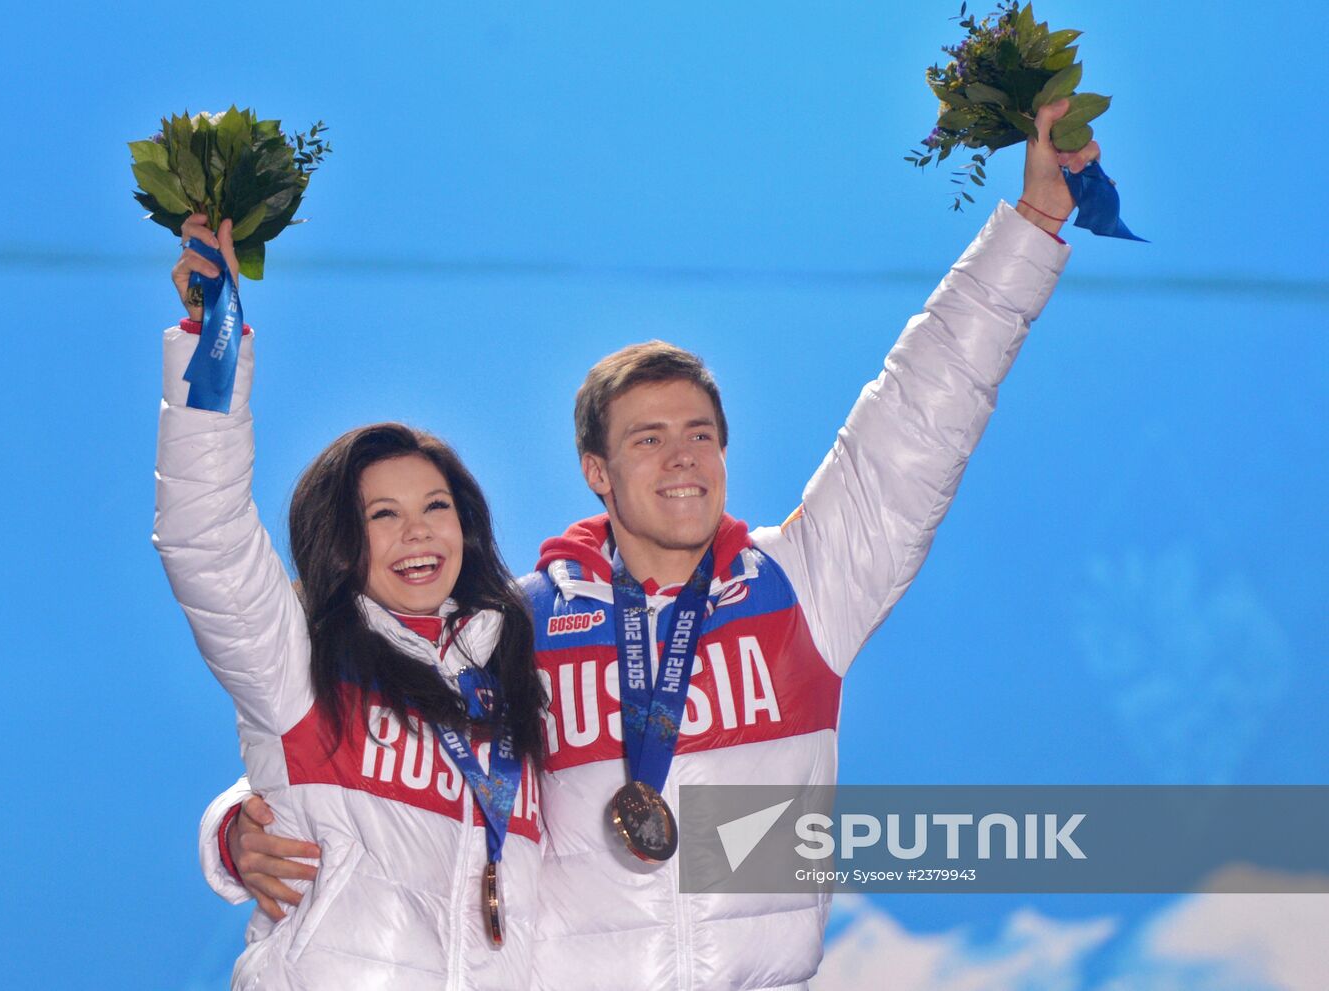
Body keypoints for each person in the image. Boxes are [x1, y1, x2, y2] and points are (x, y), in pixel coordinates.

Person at [198, 100, 1098, 990]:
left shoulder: (803, 584)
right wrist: (240, 825)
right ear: (597, 468)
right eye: (647, 437)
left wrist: (1032, 227)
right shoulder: (510, 627)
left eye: (701, 433)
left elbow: (921, 416)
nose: (681, 458)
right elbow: (386, 765)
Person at [155, 216, 547, 990]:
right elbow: (206, 536)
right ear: (341, 539)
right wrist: (214, 339)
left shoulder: (514, 683)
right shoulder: (299, 655)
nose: (417, 533)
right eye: (382, 514)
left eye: (436, 506)